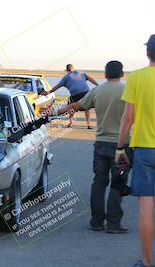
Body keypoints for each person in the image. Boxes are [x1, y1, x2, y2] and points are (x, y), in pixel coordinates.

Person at [48, 61, 132, 233]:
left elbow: (75, 106)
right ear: (122, 74)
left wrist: (53, 113)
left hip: (101, 144)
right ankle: (114, 224)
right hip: (122, 145)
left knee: (99, 183)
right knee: (118, 183)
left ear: (106, 74)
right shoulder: (128, 91)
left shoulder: (97, 91)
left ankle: (97, 222)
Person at [116, 34, 155, 267]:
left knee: (146, 207)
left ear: (147, 53)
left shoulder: (137, 78)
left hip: (144, 150)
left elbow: (127, 118)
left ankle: (147, 263)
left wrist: (120, 147)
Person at [41, 64, 98, 128]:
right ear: (73, 68)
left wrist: (49, 92)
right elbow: (90, 78)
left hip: (75, 95)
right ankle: (89, 124)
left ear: (67, 70)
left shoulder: (66, 76)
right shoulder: (80, 73)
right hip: (86, 93)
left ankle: (70, 123)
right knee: (87, 108)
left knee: (71, 109)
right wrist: (97, 85)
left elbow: (58, 86)